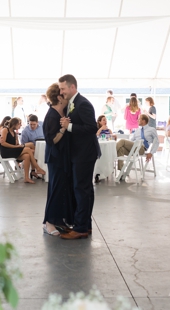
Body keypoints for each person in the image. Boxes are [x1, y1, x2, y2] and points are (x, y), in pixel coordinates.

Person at [58, 74, 100, 240]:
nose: (61, 92)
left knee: (81, 190)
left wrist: (69, 126)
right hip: (81, 153)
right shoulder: (74, 103)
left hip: (84, 153)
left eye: (63, 88)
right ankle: (84, 224)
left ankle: (81, 227)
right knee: (85, 190)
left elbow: (91, 128)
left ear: (72, 87)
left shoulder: (82, 104)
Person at [42, 83, 74, 236]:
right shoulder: (52, 115)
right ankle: (48, 222)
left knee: (62, 188)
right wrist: (63, 129)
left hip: (63, 156)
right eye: (63, 94)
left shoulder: (62, 113)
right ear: (59, 97)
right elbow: (51, 140)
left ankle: (59, 219)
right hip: (56, 157)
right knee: (55, 189)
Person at [0, 117, 45, 183]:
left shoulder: (14, 133)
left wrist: (17, 144)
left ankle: (26, 177)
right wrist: (15, 146)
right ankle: (37, 168)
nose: (20, 125)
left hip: (13, 151)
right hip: (6, 152)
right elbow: (3, 143)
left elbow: (16, 144)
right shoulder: (5, 130)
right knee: (28, 149)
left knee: (27, 156)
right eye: (19, 124)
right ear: (15, 124)